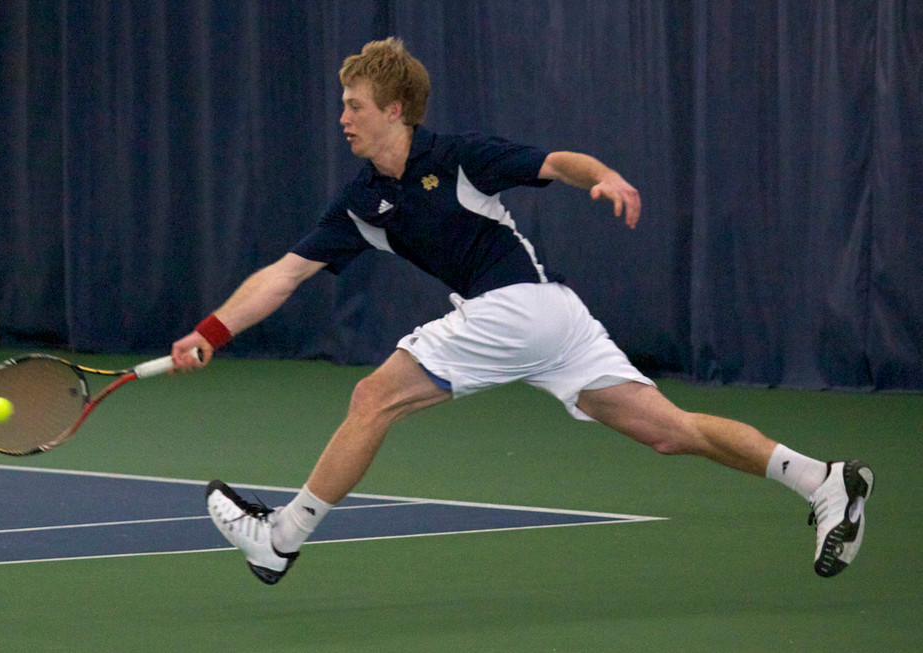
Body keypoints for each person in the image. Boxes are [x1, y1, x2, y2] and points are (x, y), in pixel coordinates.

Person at [171, 37, 873, 585]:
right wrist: (212, 330)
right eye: (342, 104)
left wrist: (601, 175)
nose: (342, 117)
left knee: (371, 396)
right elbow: (283, 275)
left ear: (393, 109)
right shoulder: (360, 201)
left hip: (519, 307)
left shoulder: (458, 156)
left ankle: (280, 539)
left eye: (353, 104)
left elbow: (554, 161)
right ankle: (822, 480)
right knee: (668, 430)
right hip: (552, 322)